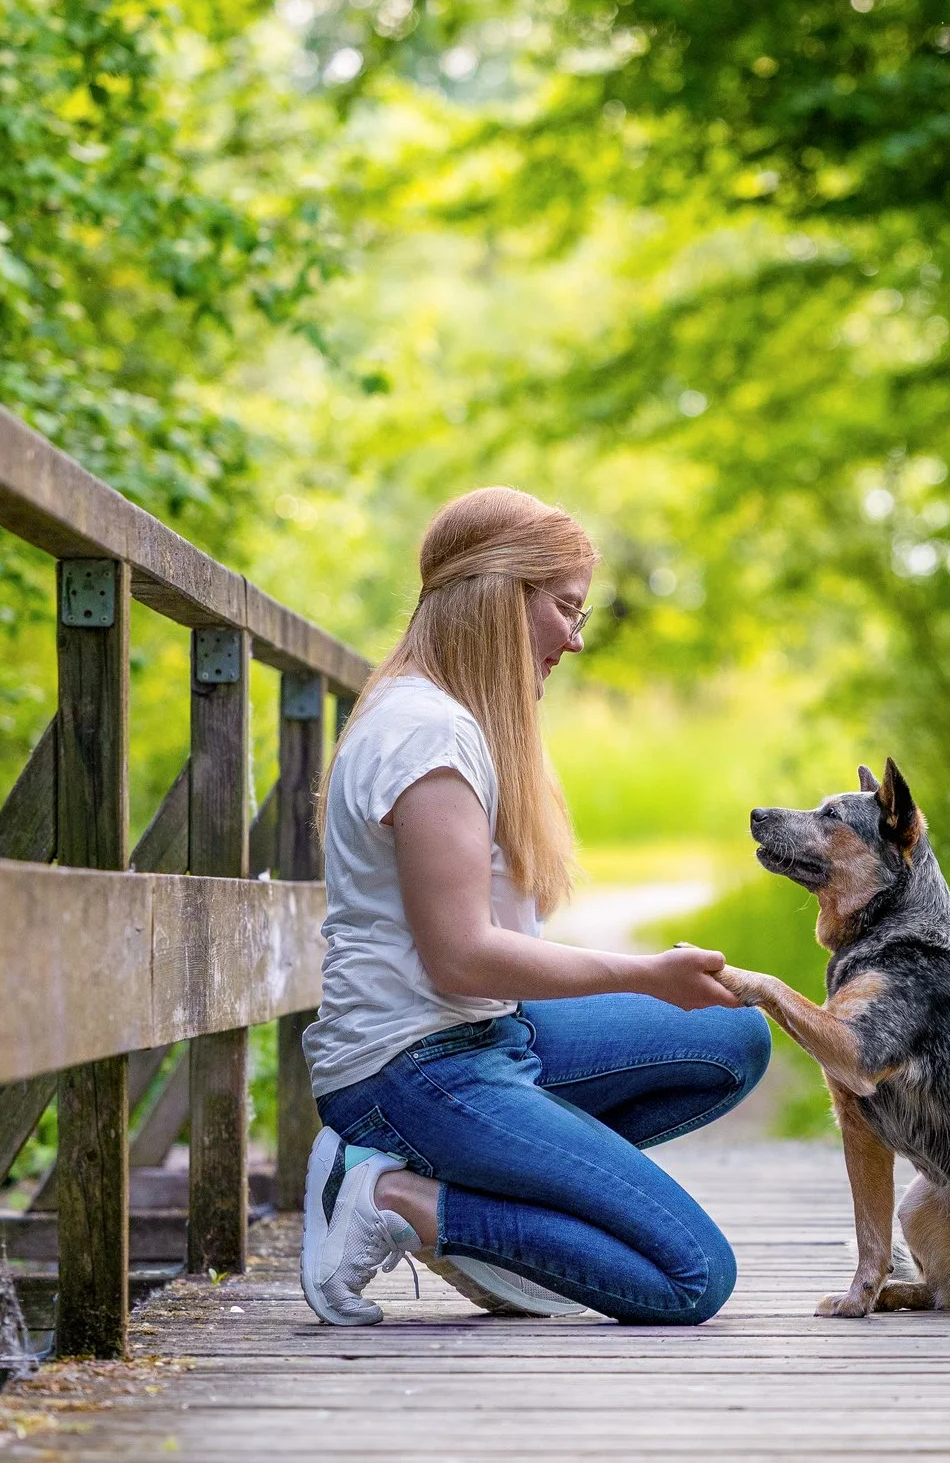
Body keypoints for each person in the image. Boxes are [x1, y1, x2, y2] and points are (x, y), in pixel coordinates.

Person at [299, 486, 771, 1326]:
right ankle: (393, 1195)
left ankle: (517, 1212)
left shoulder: (458, 720)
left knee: (733, 1035)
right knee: (693, 1278)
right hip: (409, 1069)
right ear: (497, 594)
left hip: (489, 1033)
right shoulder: (423, 736)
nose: (577, 638)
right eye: (565, 609)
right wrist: (643, 975)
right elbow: (460, 956)